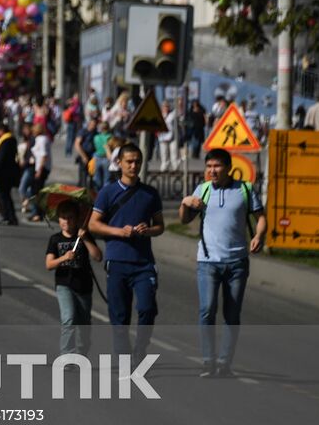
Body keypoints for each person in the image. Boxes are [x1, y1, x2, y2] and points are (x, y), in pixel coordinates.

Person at [178, 148, 267, 378]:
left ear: (229, 168)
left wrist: (259, 236)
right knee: (207, 309)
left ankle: (224, 363)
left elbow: (261, 217)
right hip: (207, 261)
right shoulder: (203, 190)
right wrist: (185, 202)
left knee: (232, 314)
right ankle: (208, 361)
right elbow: (184, 219)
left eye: (217, 166)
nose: (212, 171)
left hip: (237, 263)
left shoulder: (245, 189)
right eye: (208, 167)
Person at [87, 141, 164, 366]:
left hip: (143, 263)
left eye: (137, 162)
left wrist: (148, 230)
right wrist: (119, 232)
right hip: (117, 260)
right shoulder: (108, 192)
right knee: (119, 315)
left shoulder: (150, 193)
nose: (133, 166)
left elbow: (160, 226)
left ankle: (141, 349)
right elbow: (93, 224)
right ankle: (124, 357)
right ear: (119, 163)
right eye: (129, 162)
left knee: (147, 308)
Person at [45, 200, 103, 357]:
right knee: (69, 319)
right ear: (59, 219)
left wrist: (85, 239)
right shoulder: (55, 239)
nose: (66, 221)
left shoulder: (83, 236)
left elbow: (98, 256)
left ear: (77, 219)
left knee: (84, 323)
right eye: (63, 218)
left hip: (83, 285)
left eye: (70, 217)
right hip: (64, 284)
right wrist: (64, 258)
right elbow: (49, 264)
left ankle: (82, 352)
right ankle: (67, 356)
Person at [0, 120, 21, 226]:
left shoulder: (6, 141)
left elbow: (1, 158)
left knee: (4, 195)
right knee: (4, 195)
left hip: (4, 173)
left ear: (1, 130)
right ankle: (7, 215)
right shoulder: (9, 140)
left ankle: (10, 216)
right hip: (6, 172)